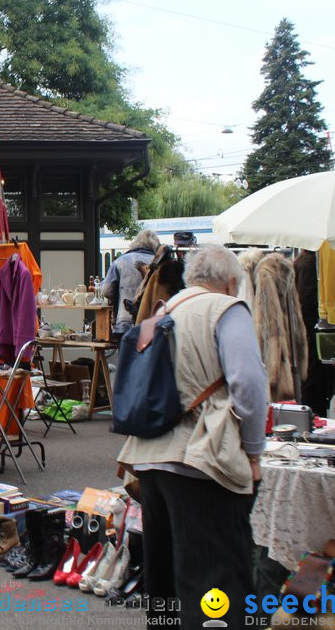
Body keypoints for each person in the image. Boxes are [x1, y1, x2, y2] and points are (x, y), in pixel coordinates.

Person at [116, 245, 267, 628]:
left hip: (150, 455)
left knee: (165, 576)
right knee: (213, 576)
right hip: (203, 455)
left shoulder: (162, 313)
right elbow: (248, 384)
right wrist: (253, 453)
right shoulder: (225, 308)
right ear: (231, 281)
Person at [101, 229, 160, 335]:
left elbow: (106, 291)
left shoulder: (120, 261)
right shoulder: (160, 263)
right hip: (153, 322)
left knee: (126, 350)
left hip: (125, 321)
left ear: (136, 243)